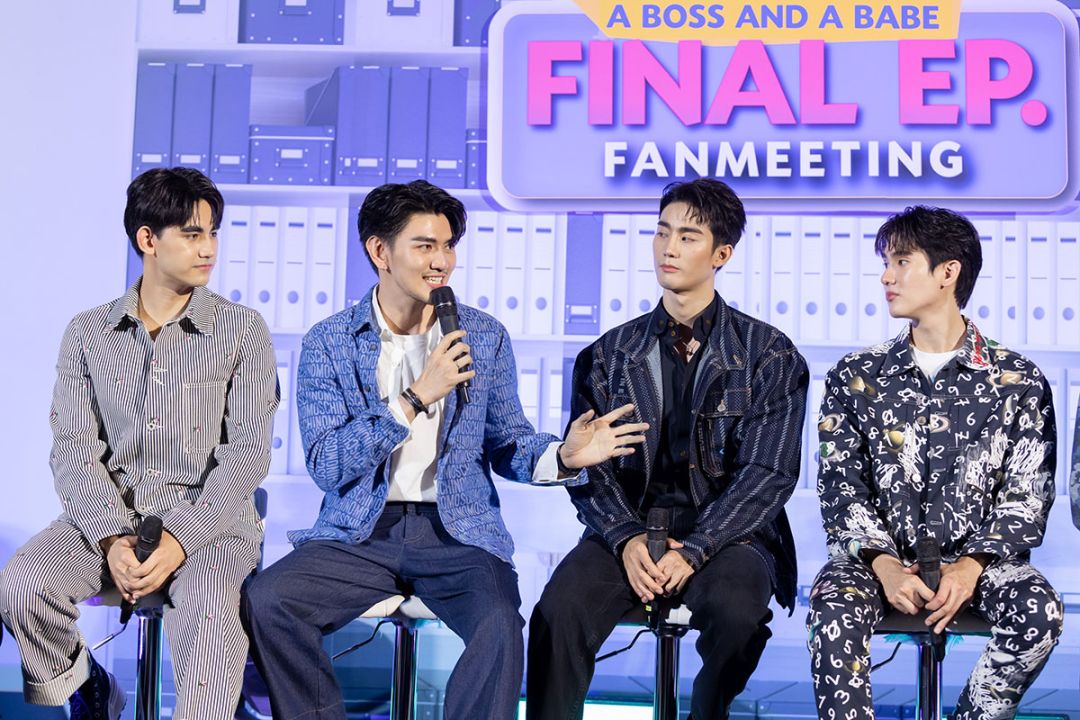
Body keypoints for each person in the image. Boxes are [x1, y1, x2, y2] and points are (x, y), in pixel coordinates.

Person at [240, 179, 647, 720]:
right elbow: (327, 464)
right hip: (361, 532)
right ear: (380, 251)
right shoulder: (329, 342)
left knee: (499, 625)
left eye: (449, 245)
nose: (442, 261)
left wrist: (563, 457)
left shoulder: (483, 335)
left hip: (458, 532)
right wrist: (412, 400)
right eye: (425, 246)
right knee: (270, 600)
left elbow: (508, 443)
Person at [0, 167, 279, 720]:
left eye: (213, 233)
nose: (209, 249)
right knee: (23, 585)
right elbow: (73, 449)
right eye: (192, 234)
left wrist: (179, 538)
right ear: (147, 239)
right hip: (109, 516)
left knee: (210, 623)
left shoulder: (243, 330)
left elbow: (248, 454)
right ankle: (88, 690)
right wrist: (111, 539)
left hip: (211, 524)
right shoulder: (87, 333)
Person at [527, 178, 809, 720]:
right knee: (557, 613)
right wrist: (627, 537)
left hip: (731, 533)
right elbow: (589, 469)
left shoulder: (769, 354)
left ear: (722, 254)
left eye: (687, 236)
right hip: (628, 526)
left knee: (736, 615)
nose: (668, 247)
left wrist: (695, 548)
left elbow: (767, 474)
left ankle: (707, 712)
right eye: (662, 232)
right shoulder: (608, 355)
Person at [808, 205, 1062, 720]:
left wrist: (970, 567)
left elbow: (1028, 494)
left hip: (983, 564)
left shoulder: (1018, 380)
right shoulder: (855, 375)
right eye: (886, 263)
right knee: (831, 611)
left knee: (1040, 613)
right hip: (873, 561)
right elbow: (840, 484)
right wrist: (884, 565)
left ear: (948, 272)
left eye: (901, 262)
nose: (886, 277)